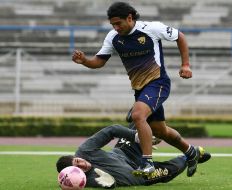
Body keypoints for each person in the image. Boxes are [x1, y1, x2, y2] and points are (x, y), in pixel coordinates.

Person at [72, 2, 197, 177]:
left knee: (138, 115)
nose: (115, 28)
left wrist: (185, 65)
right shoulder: (113, 37)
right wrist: (85, 60)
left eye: (118, 23)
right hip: (140, 89)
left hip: (158, 82)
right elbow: (99, 61)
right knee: (160, 131)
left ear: (129, 18)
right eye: (112, 25)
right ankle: (191, 152)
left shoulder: (152, 28)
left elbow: (180, 37)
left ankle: (147, 162)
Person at [56, 123, 211, 188]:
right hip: (138, 175)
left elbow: (112, 130)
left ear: (76, 156)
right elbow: (108, 185)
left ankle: (145, 135)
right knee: (169, 171)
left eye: (78, 162)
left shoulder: (84, 150)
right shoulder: (83, 182)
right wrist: (107, 185)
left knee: (138, 117)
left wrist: (137, 137)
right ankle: (193, 154)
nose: (82, 165)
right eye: (79, 170)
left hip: (124, 152)